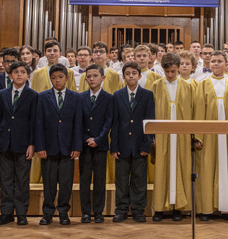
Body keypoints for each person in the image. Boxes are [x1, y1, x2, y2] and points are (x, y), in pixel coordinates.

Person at [193, 51, 228, 221]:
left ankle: (226, 208)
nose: (215, 64)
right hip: (209, 134)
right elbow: (198, 110)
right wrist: (198, 136)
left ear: (226, 63)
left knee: (226, 169)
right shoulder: (202, 85)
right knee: (207, 169)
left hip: (227, 135)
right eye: (213, 61)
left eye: (219, 61)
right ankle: (206, 209)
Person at [34, 64, 82, 226]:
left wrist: (77, 147)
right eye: (53, 78)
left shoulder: (75, 97)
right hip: (48, 148)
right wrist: (40, 147)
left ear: (67, 78)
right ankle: (47, 212)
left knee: (66, 182)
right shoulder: (42, 97)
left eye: (60, 77)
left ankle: (63, 212)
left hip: (68, 148)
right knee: (49, 183)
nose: (57, 81)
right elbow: (38, 123)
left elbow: (77, 125)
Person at [151, 52, 194, 221]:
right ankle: (160, 208)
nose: (170, 75)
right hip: (162, 134)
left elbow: (192, 110)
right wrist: (153, 136)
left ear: (178, 70)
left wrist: (192, 135)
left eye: (173, 72)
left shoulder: (188, 86)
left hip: (181, 135)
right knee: (162, 169)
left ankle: (178, 207)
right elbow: (152, 110)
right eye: (167, 71)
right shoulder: (156, 85)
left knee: (181, 168)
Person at [111, 62, 155, 223]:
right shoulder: (117, 95)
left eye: (134, 73)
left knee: (139, 180)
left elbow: (149, 121)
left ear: (139, 76)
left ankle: (138, 210)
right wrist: (114, 146)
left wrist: (146, 144)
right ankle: (121, 210)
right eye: (128, 73)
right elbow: (114, 122)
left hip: (139, 145)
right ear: (123, 76)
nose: (131, 76)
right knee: (121, 180)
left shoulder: (147, 95)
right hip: (122, 145)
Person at [0, 61, 37, 226]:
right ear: (10, 75)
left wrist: (32, 144)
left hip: (23, 143)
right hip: (5, 142)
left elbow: (34, 121)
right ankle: (6, 213)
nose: (19, 74)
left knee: (22, 180)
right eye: (16, 72)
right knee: (5, 180)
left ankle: (21, 213)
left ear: (28, 75)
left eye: (22, 72)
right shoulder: (3, 94)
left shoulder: (33, 95)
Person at [79, 64, 113, 224]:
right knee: (84, 179)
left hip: (100, 145)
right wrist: (87, 138)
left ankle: (98, 211)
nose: (92, 79)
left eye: (95, 76)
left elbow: (108, 122)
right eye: (89, 76)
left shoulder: (109, 98)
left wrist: (98, 139)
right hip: (85, 145)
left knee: (100, 179)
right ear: (85, 79)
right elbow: (78, 121)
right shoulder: (80, 97)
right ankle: (85, 212)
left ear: (103, 78)